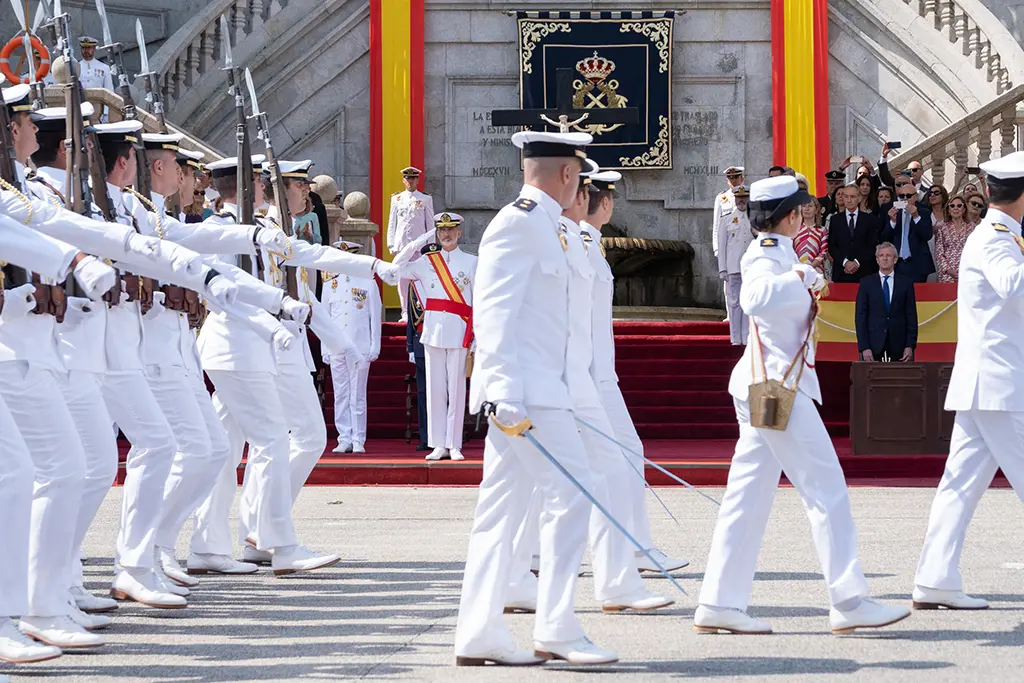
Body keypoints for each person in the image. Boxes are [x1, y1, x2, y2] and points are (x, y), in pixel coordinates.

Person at [693, 175, 910, 636]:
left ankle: (718, 602)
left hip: (769, 386)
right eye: (800, 210)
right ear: (790, 215)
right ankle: (849, 600)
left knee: (747, 498)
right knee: (826, 489)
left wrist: (799, 273)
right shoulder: (767, 255)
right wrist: (798, 277)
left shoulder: (781, 252)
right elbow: (754, 298)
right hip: (778, 388)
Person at [454, 129, 619, 666]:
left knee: (501, 512)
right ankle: (556, 626)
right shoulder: (518, 223)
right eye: (579, 174)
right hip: (527, 394)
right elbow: (493, 312)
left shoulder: (555, 227)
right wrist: (503, 391)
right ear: (569, 172)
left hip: (547, 391)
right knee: (572, 495)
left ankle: (479, 632)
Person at [912, 152, 1024, 612]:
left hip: (989, 384)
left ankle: (936, 578)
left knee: (959, 485)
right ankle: (935, 579)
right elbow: (1013, 286)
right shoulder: (997, 237)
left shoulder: (1000, 234)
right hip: (999, 385)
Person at [581, 169, 687, 573]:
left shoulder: (588, 244)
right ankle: (629, 550)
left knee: (617, 457)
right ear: (605, 203)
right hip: (589, 376)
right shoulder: (581, 246)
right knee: (614, 457)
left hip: (597, 373)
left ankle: (633, 549)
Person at [394, 213, 476, 462]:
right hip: (432, 333)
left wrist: (476, 337)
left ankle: (455, 444)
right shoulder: (426, 262)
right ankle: (438, 443)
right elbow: (396, 267)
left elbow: (479, 301)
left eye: (450, 230)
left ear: (459, 232)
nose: (446, 234)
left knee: (456, 391)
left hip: (460, 332)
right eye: (441, 230)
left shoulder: (472, 262)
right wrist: (420, 240)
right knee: (435, 391)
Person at [322, 241, 382, 454]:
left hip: (360, 345)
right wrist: (324, 347)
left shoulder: (367, 282)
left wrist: (375, 345)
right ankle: (344, 437)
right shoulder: (330, 284)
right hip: (336, 346)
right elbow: (324, 318)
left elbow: (375, 316)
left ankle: (358, 438)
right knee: (340, 393)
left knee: (357, 395)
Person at [855, 242, 918, 362]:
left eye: (888, 255)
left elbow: (911, 316)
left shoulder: (906, 283)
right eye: (881, 255)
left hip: (899, 345)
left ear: (895, 260)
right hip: (873, 345)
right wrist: (864, 347)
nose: (884, 258)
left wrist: (910, 345)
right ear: (877, 260)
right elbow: (860, 317)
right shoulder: (866, 283)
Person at [387, 166, 434, 319]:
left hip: (419, 246)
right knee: (402, 279)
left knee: (420, 277)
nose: (410, 181)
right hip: (402, 245)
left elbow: (430, 224)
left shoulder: (425, 199)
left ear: (417, 180)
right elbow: (392, 223)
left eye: (413, 178)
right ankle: (405, 311)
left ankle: (420, 309)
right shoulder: (397, 199)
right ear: (403, 180)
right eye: (407, 178)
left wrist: (431, 246)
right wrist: (391, 243)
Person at [716, 184, 753, 345]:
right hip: (734, 267)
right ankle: (736, 337)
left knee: (748, 302)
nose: (741, 200)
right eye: (739, 197)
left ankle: (746, 336)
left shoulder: (756, 220)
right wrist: (722, 268)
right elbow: (722, 245)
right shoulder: (727, 219)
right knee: (734, 303)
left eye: (744, 197)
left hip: (751, 268)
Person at [882, 183, 935, 282]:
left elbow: (927, 235)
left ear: (915, 196)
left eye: (909, 196)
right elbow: (885, 238)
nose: (905, 199)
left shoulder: (924, 212)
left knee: (918, 291)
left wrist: (916, 216)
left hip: (917, 263)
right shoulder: (894, 212)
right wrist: (892, 221)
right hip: (897, 263)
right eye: (902, 196)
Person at [828, 184, 881, 283]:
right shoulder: (835, 219)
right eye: (846, 196)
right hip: (842, 272)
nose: (849, 200)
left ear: (859, 198)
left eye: (852, 197)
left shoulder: (869, 219)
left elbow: (872, 245)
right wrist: (845, 263)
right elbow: (832, 246)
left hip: (864, 271)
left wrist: (857, 262)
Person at [405, 282, 430, 451]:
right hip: (420, 341)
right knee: (423, 394)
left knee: (443, 392)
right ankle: (425, 437)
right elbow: (411, 318)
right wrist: (410, 346)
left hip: (443, 340)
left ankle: (444, 437)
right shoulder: (416, 285)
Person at [933, 194, 975, 283]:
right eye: (952, 206)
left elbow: (976, 251)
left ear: (964, 209)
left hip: (968, 272)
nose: (956, 208)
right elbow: (939, 252)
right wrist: (948, 270)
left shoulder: (972, 227)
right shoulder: (942, 228)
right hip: (947, 274)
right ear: (948, 210)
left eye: (959, 205)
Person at [77, 37, 113, 122]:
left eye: (88, 48)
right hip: (81, 108)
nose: (86, 50)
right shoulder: (76, 67)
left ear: (94, 48)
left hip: (98, 109)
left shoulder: (104, 68)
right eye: (83, 48)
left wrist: (106, 113)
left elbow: (109, 91)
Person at [795, 196, 831, 280]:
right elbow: (791, 251)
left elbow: (823, 252)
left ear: (817, 210)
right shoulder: (795, 230)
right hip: (798, 271)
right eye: (804, 206)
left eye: (810, 206)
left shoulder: (823, 230)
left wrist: (811, 266)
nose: (806, 209)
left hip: (817, 271)